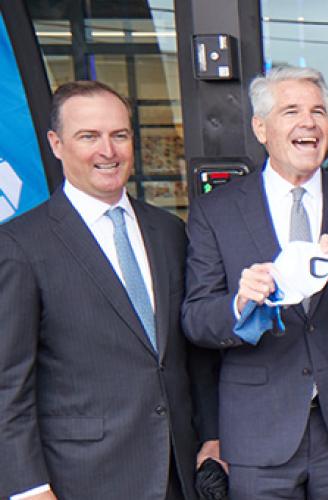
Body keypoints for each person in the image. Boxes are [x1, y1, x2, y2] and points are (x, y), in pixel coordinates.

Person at [181, 66, 328, 499]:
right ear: (260, 128)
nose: (309, 123)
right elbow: (195, 320)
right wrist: (238, 304)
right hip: (257, 431)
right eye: (291, 111)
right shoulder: (217, 212)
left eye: (319, 112)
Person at [0, 80, 219, 499]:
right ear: (56, 144)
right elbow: (8, 386)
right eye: (89, 136)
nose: (108, 150)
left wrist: (212, 437)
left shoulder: (169, 231)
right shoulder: (19, 247)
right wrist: (28, 489)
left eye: (119, 135)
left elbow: (193, 354)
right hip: (82, 482)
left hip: (178, 475)